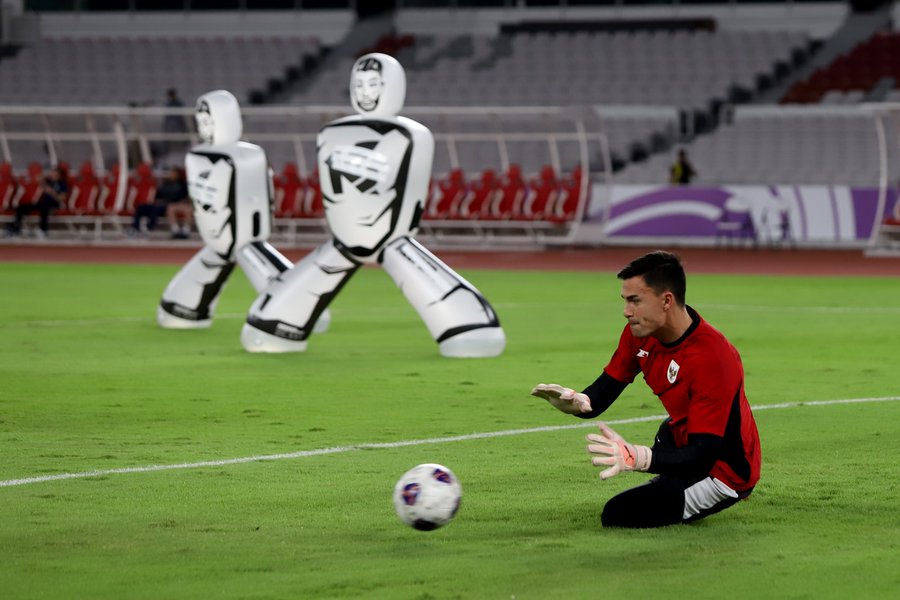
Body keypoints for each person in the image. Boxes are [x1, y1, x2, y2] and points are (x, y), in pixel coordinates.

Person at [531, 250, 760, 528]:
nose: (627, 311)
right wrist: (579, 402)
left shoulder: (713, 357)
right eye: (625, 301)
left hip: (724, 469)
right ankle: (672, 484)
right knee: (668, 433)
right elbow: (603, 391)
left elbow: (704, 453)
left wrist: (637, 457)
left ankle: (712, 490)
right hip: (686, 442)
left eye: (635, 301)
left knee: (618, 513)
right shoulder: (639, 334)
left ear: (666, 300)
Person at [6, 165, 68, 238]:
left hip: (54, 204)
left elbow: (62, 198)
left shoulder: (62, 184)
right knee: (21, 207)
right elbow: (38, 179)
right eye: (52, 173)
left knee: (45, 207)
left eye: (55, 174)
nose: (53, 175)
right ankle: (15, 227)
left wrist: (52, 192)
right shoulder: (48, 181)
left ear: (59, 175)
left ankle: (43, 230)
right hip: (42, 204)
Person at [131, 166, 191, 237]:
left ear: (177, 174)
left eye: (174, 173)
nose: (172, 175)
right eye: (171, 173)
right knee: (167, 208)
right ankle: (175, 230)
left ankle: (186, 230)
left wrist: (183, 201)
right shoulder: (166, 184)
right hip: (167, 205)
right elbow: (159, 195)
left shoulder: (182, 184)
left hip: (180, 204)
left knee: (187, 209)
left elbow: (186, 196)